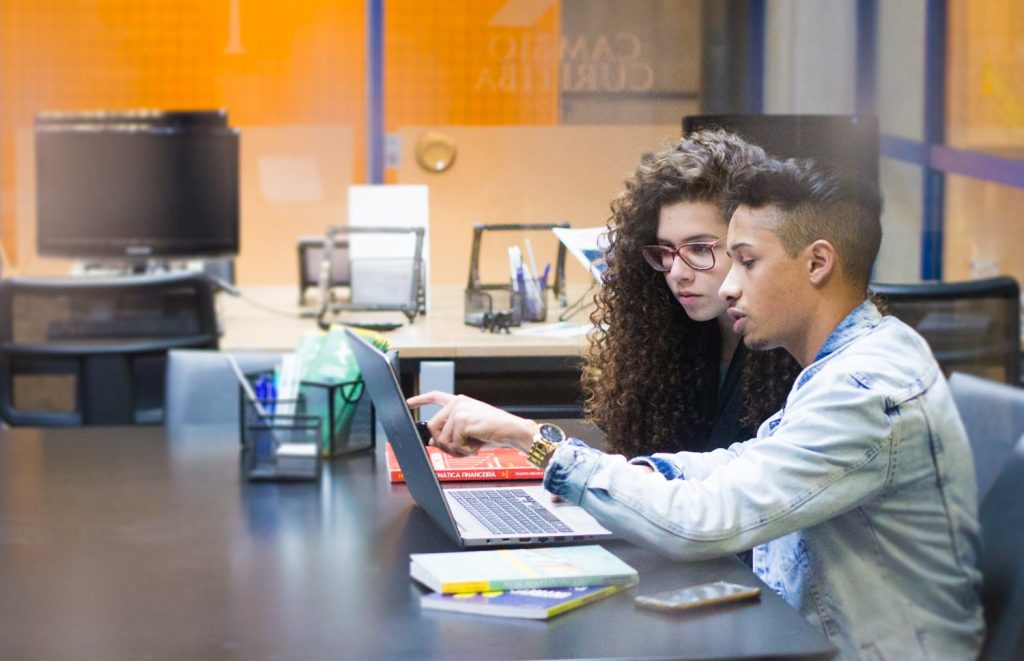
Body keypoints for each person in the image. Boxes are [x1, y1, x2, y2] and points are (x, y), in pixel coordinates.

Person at [408, 159, 984, 659]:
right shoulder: (858, 357)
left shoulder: (864, 388)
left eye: (747, 262)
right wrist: (640, 472)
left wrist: (536, 442)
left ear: (817, 263)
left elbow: (706, 522)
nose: (728, 287)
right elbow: (745, 461)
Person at [583, 130, 800, 456]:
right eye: (666, 251)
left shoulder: (795, 346)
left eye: (699, 248)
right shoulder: (668, 339)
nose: (677, 272)